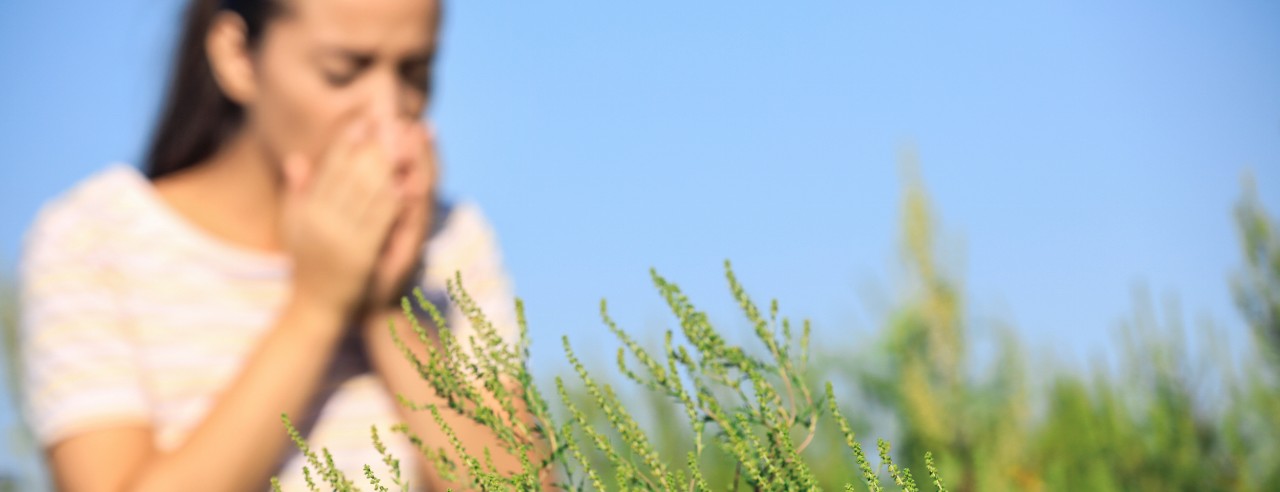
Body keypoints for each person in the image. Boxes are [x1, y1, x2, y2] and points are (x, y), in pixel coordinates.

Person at [16, 0, 530, 490]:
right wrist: (317, 307)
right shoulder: (94, 240)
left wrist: (387, 309)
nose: (387, 114)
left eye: (414, 75)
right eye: (343, 72)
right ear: (237, 56)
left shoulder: (450, 242)